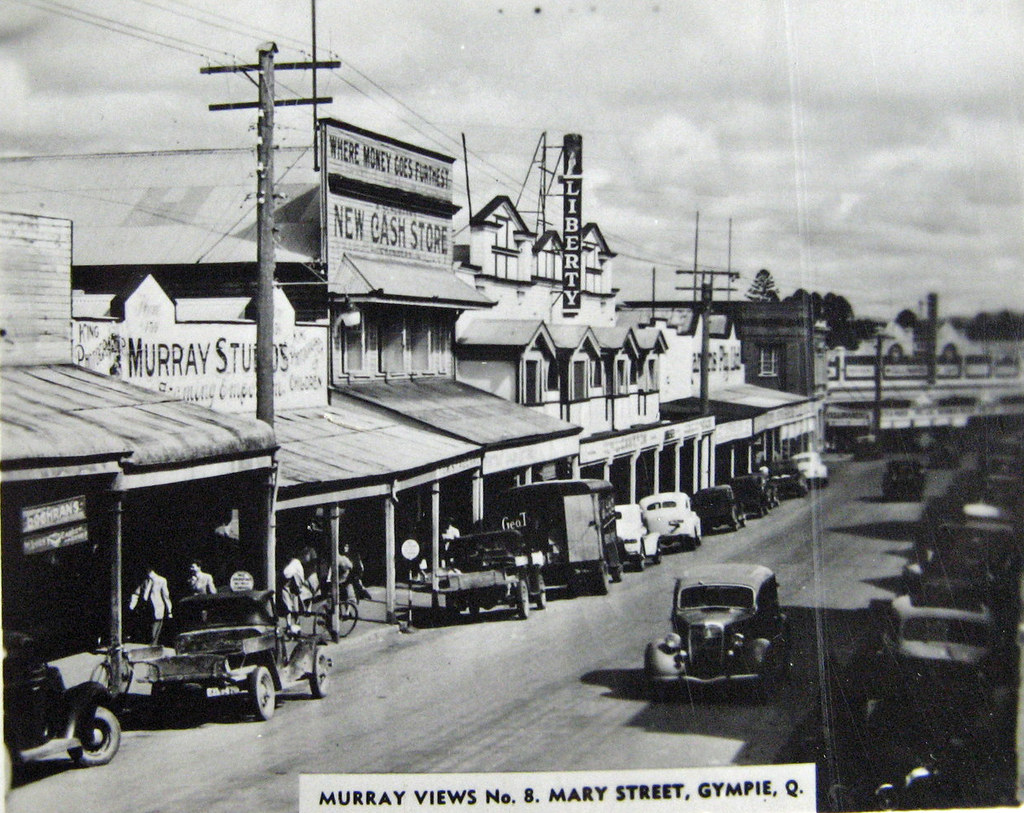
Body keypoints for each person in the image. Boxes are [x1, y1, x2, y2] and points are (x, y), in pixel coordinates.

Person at [129, 566, 172, 646]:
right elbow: (136, 593)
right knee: (147, 628)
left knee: (155, 629)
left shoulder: (161, 580)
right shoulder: (143, 581)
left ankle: (153, 645)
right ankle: (149, 645)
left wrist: (169, 610)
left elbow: (166, 596)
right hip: (146, 607)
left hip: (157, 607)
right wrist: (132, 605)